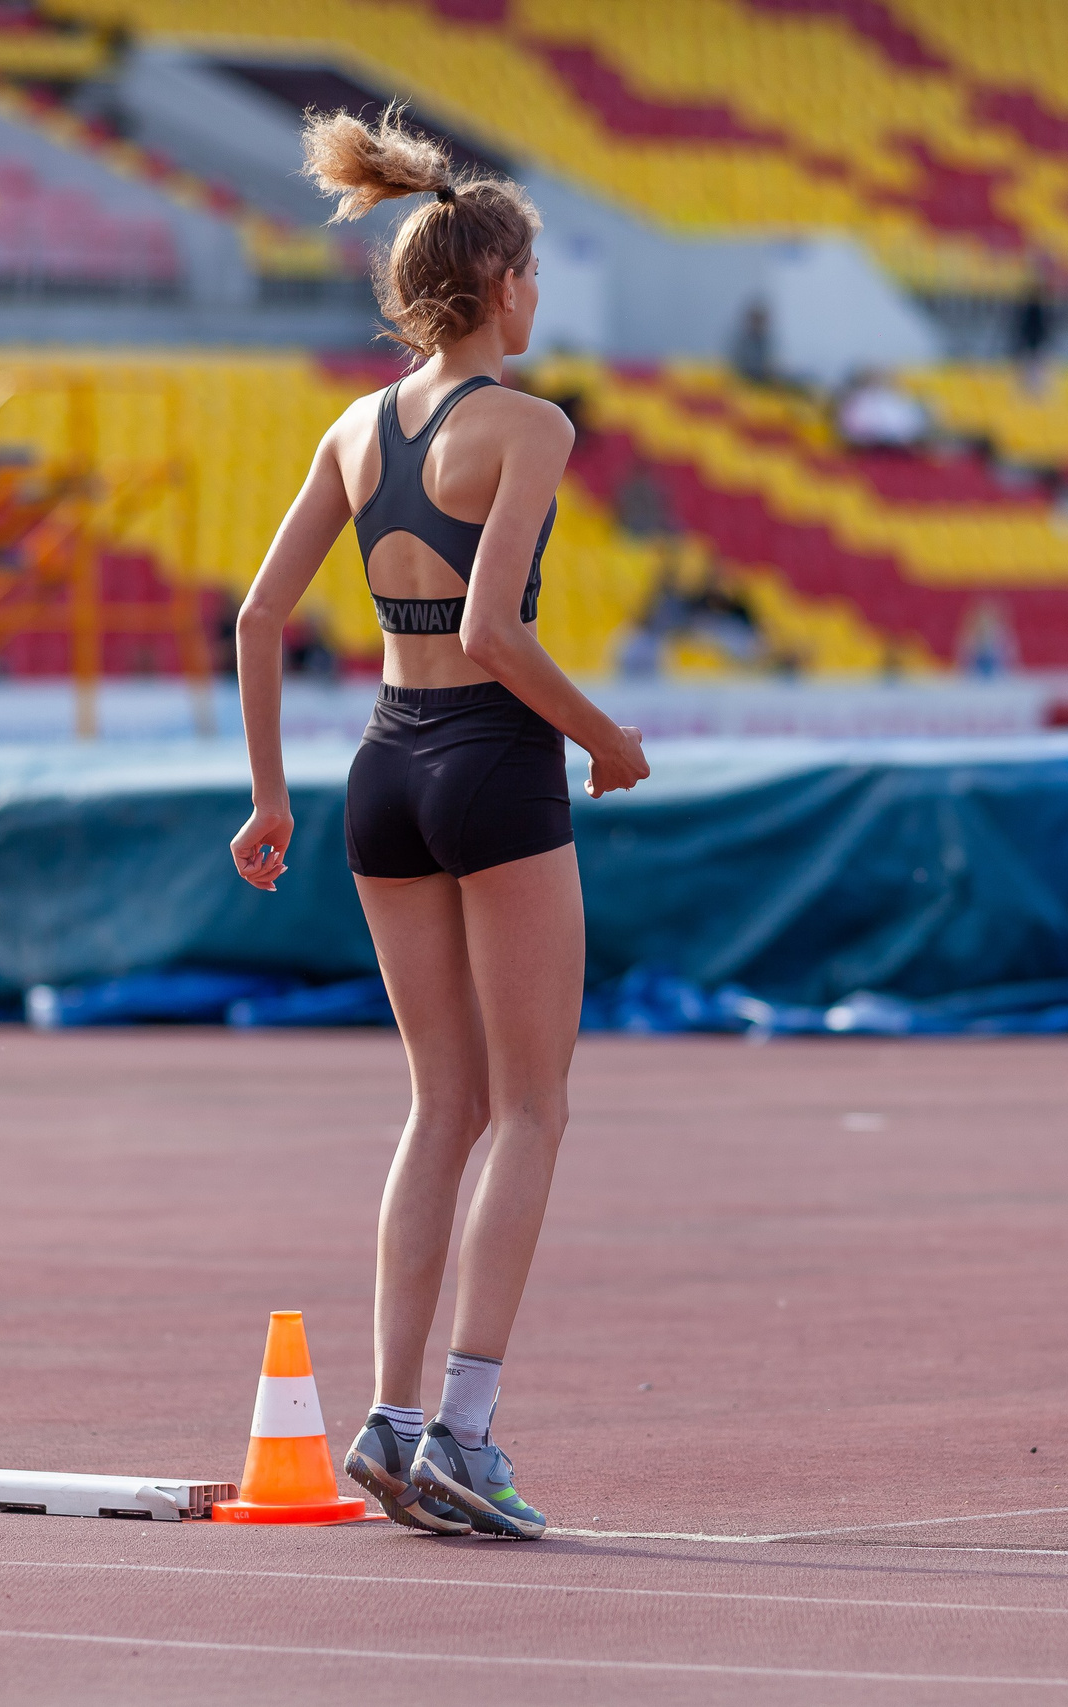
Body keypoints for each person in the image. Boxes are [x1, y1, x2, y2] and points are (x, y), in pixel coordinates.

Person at [228, 104, 649, 1543]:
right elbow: (494, 629)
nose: (541, 298)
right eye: (533, 275)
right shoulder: (529, 424)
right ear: (501, 286)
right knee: (531, 1105)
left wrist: (271, 791)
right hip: (492, 757)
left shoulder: (355, 426)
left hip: (382, 769)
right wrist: (611, 739)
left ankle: (391, 1417)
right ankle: (465, 1428)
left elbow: (259, 615)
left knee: (438, 1105)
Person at [834, 368, 936, 453]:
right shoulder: (856, 400)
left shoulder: (895, 397)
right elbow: (851, 428)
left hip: (900, 442)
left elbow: (907, 422)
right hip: (870, 445)